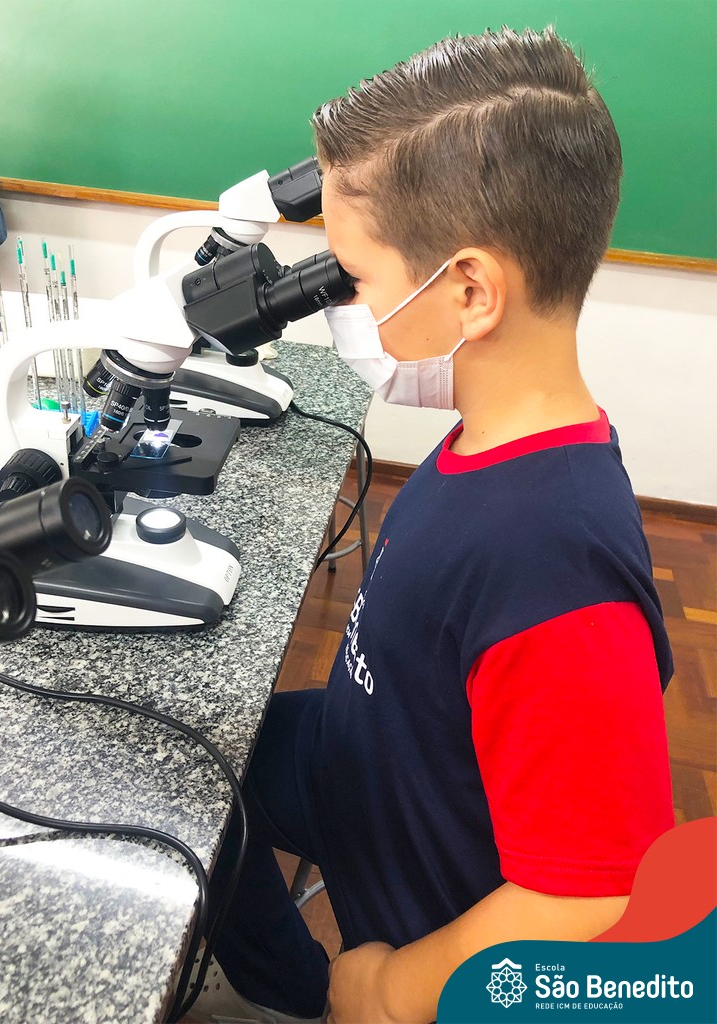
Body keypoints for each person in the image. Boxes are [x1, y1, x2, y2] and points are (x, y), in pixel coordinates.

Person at [194, 25, 674, 1024]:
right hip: (372, 766)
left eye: (355, 279)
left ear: (468, 290)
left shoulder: (557, 570)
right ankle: (284, 991)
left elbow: (591, 902)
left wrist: (387, 989)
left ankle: (321, 999)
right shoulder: (489, 444)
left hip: (422, 936)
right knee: (193, 769)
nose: (343, 305)